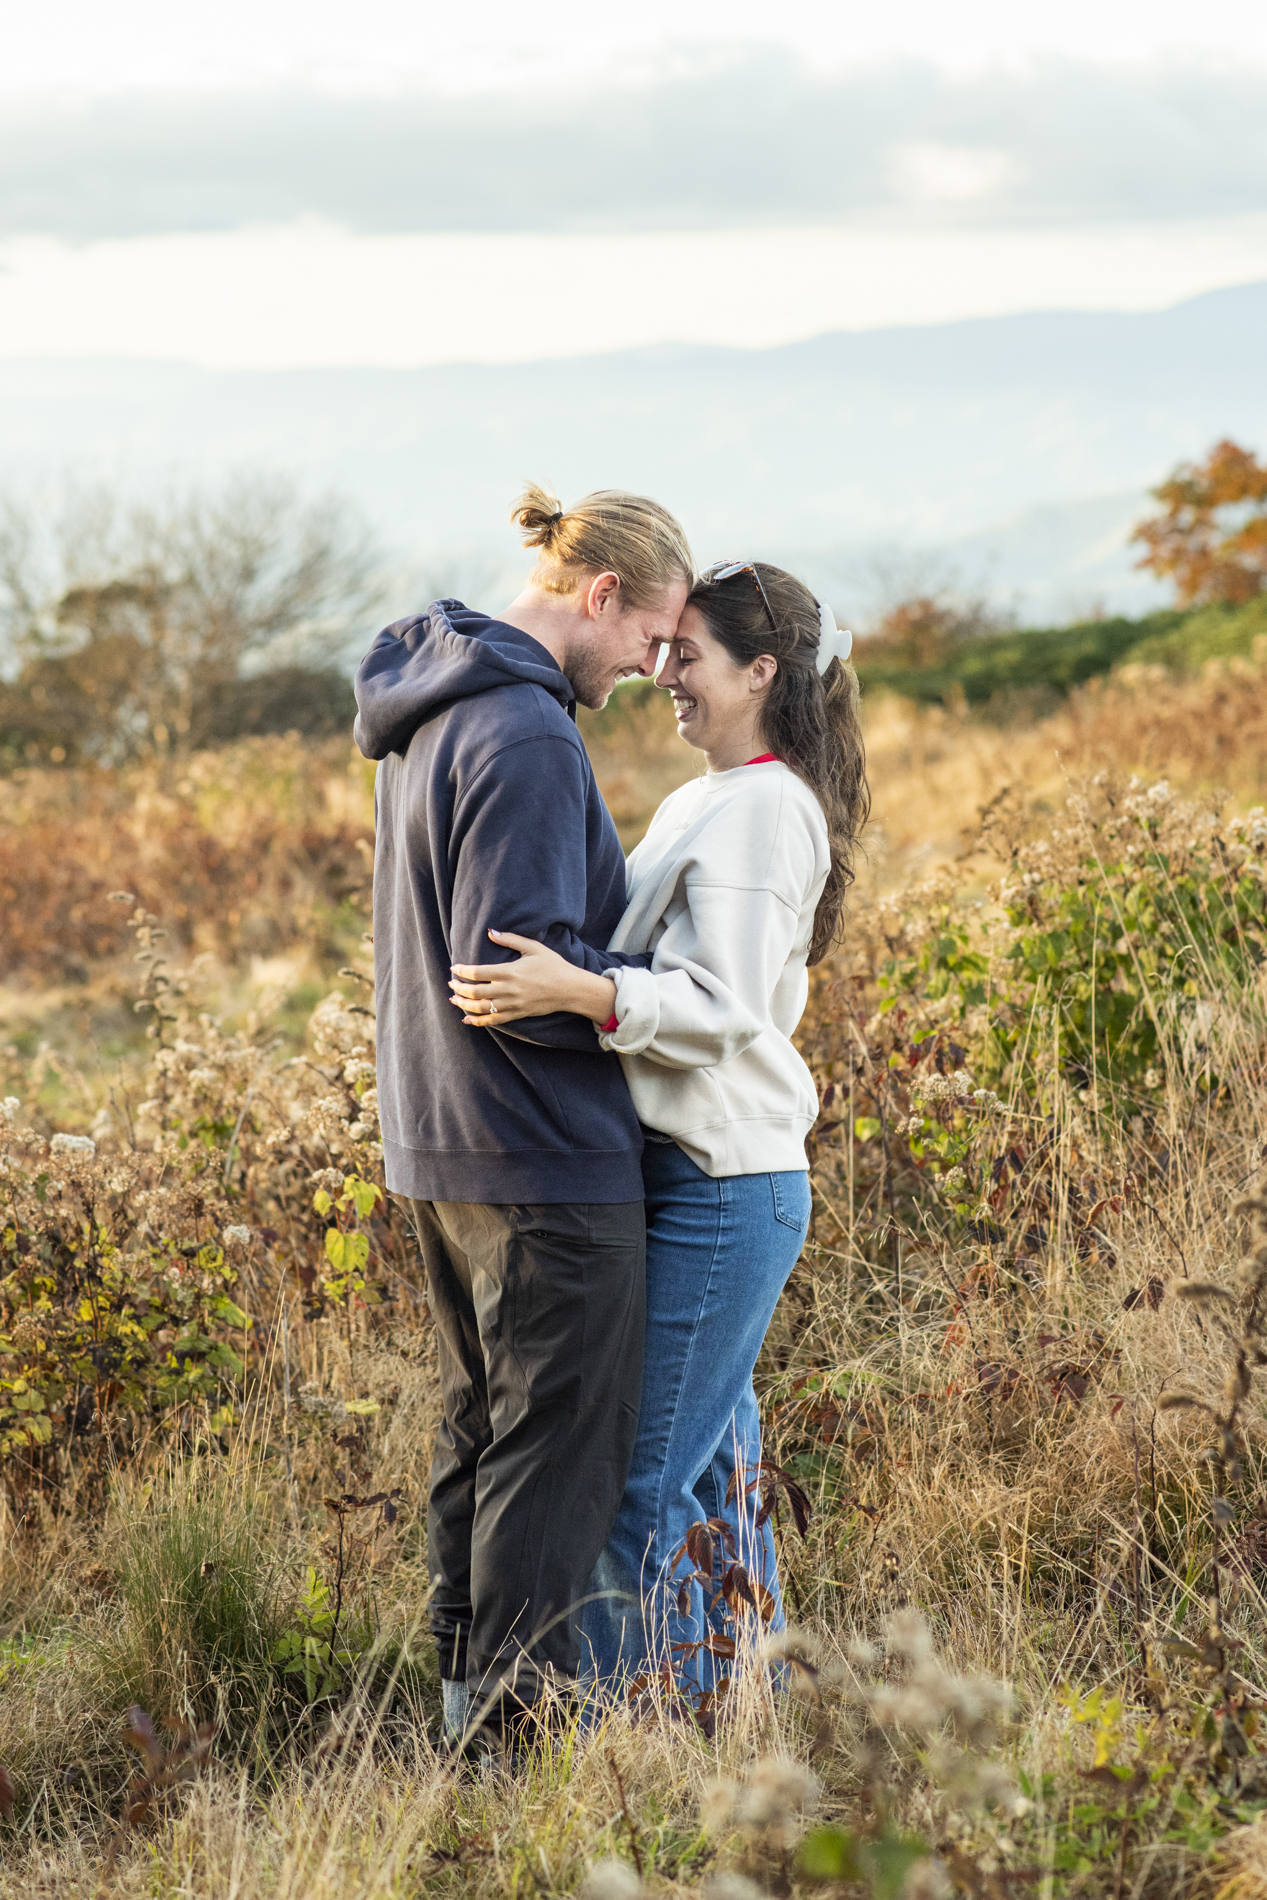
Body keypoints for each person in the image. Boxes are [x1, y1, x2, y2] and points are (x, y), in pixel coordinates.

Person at [449, 559, 869, 1700]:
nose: (663, 675)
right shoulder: (709, 796)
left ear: (761, 672)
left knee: (642, 1480)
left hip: (722, 1181)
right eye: (664, 650)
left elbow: (725, 1009)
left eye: (687, 656)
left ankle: (625, 1745)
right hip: (697, 1171)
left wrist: (579, 994)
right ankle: (749, 1710)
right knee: (718, 1470)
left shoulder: (766, 809)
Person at [353, 484, 693, 1746]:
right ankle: (509, 1749)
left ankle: (463, 1717)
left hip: (440, 1138)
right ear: (598, 594)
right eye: (650, 637)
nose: (652, 667)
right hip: (543, 1150)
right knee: (555, 1461)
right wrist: (651, 997)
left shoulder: (428, 712)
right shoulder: (532, 734)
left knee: (483, 1432)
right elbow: (520, 977)